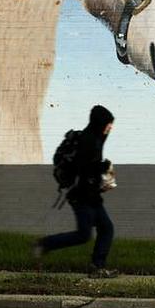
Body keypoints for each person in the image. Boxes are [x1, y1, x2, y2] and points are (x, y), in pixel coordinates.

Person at [34, 105, 118, 278]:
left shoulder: (95, 138)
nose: (110, 127)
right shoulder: (88, 140)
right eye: (108, 123)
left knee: (106, 228)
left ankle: (97, 267)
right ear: (99, 123)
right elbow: (84, 168)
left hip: (90, 195)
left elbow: (90, 167)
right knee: (83, 234)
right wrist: (102, 166)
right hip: (81, 196)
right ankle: (44, 244)